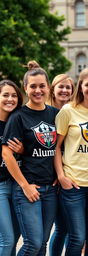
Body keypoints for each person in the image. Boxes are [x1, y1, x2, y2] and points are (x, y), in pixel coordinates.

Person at [2, 60, 58, 256]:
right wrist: (25, 186)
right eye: (33, 86)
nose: (38, 90)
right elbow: (7, 154)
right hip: (27, 189)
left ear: (48, 87)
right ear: (25, 88)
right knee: (32, 243)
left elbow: (60, 149)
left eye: (42, 86)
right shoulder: (18, 117)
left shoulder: (55, 114)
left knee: (42, 243)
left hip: (51, 189)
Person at [54, 67, 88, 256]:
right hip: (74, 186)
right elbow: (56, 147)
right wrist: (61, 176)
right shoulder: (68, 111)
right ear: (81, 87)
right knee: (77, 237)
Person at [48, 74, 75, 256]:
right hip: (49, 177)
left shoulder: (73, 112)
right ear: (53, 89)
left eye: (68, 87)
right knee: (61, 227)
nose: (64, 90)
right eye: (61, 87)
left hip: (69, 175)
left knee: (68, 226)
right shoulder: (47, 112)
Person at [0, 80, 23, 256]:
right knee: (6, 239)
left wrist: (23, 150)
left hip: (14, 184)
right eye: (5, 95)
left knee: (15, 236)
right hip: (0, 187)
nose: (10, 99)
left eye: (14, 95)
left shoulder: (18, 120)